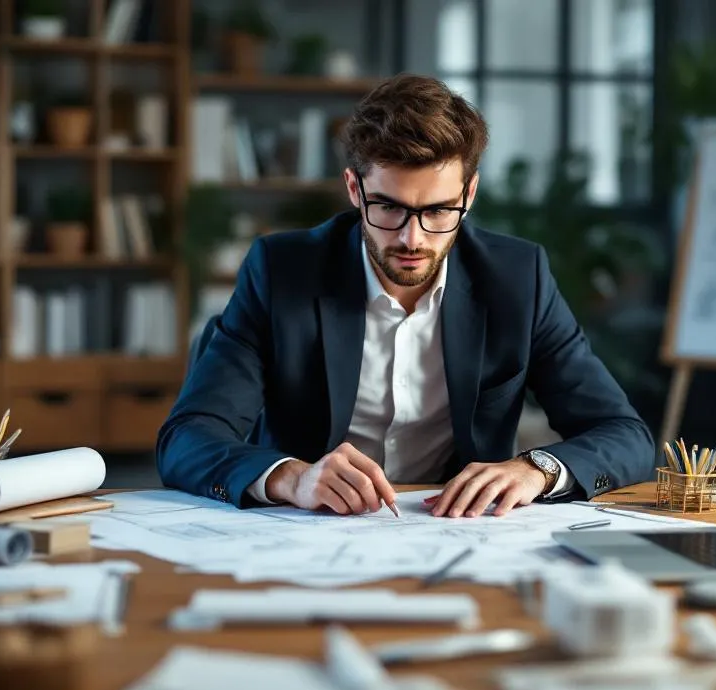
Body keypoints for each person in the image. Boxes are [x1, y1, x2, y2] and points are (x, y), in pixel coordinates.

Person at [157, 73, 655, 518]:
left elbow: (624, 435)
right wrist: (293, 478)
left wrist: (535, 469)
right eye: (389, 208)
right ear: (354, 189)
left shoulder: (518, 279)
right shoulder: (281, 272)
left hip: (457, 536)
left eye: (438, 211)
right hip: (311, 532)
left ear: (469, 194)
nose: (412, 239)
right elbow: (187, 438)